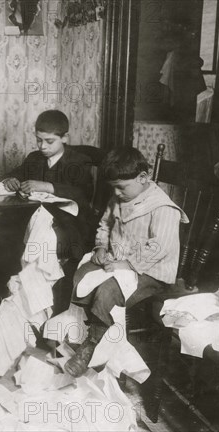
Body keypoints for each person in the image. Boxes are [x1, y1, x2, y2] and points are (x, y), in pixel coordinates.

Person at [64, 147, 188, 377]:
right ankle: (87, 325)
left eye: (122, 187)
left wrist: (128, 265)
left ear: (143, 178)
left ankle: (92, 345)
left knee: (108, 290)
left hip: (151, 271)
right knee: (83, 272)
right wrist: (101, 247)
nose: (118, 193)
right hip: (119, 260)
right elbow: (105, 225)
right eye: (114, 188)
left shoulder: (162, 207)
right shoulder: (118, 199)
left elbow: (160, 247)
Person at [1, 109, 94, 313]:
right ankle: (25, 303)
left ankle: (39, 307)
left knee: (40, 242)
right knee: (14, 236)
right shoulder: (34, 159)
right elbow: (14, 173)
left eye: (49, 141)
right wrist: (10, 180)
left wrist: (48, 186)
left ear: (65, 138)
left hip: (70, 227)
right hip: (37, 220)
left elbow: (84, 194)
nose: (42, 146)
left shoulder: (78, 162)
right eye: (38, 140)